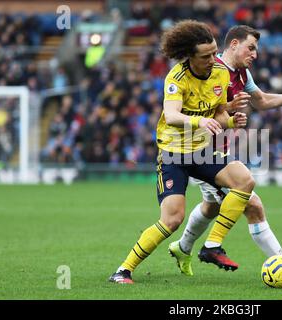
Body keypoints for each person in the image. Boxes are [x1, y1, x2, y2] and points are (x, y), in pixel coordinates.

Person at [168, 25, 282, 280]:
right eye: (250, 47)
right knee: (252, 204)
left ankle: (182, 247)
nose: (254, 54)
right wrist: (226, 110)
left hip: (218, 151)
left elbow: (261, 101)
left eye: (256, 49)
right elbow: (193, 110)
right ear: (233, 45)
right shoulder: (209, 69)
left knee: (211, 207)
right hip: (199, 153)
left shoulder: (242, 73)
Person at [109, 20, 254, 284]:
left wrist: (231, 120)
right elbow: (173, 115)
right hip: (174, 154)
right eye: (206, 55)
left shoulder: (220, 74)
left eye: (214, 52)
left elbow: (219, 113)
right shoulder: (176, 78)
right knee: (173, 219)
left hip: (200, 151)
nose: (213, 59)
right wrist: (199, 121)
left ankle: (212, 245)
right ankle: (122, 271)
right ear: (189, 56)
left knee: (245, 181)